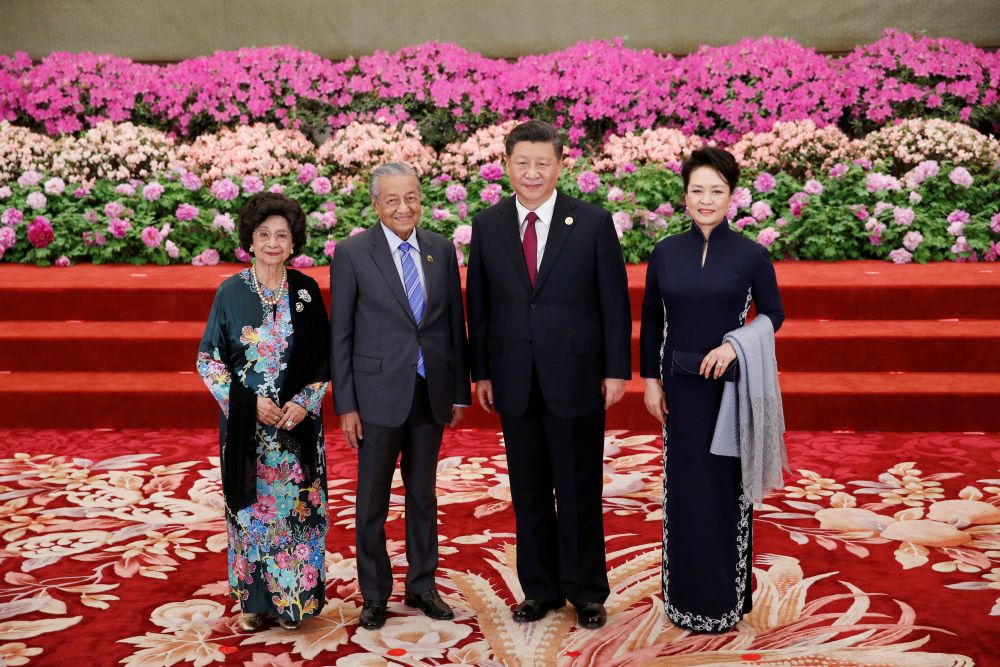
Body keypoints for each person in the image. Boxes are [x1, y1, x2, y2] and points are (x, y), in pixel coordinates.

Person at [466, 120, 631, 630]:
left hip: (576, 376)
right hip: (514, 379)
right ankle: (538, 589)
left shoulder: (592, 222)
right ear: (506, 166)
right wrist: (483, 372)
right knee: (528, 490)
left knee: (578, 488)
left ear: (561, 165)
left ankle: (585, 591)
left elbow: (614, 303)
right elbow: (481, 304)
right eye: (522, 163)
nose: (532, 172)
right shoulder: (488, 224)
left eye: (543, 163)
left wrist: (615, 370)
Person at [639, 146, 785, 633]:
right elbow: (652, 322)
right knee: (684, 492)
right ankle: (683, 600)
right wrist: (650, 383)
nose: (706, 200)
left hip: (729, 394)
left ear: (731, 197)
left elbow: (773, 314)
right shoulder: (665, 253)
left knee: (724, 493)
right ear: (684, 196)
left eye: (716, 191)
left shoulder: (750, 255)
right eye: (697, 190)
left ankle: (724, 600)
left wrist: (736, 344)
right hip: (680, 393)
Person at [329, 162, 470, 630]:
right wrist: (346, 404)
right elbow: (341, 334)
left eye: (410, 197)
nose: (403, 207)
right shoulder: (352, 253)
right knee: (372, 500)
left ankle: (423, 585)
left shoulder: (439, 249)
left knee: (423, 494)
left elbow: (454, 327)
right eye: (392, 200)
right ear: (375, 205)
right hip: (375, 396)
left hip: (429, 393)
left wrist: (459, 392)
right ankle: (374, 594)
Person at [197, 192, 330, 632]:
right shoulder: (230, 293)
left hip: (297, 426)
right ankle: (255, 601)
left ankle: (295, 601)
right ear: (250, 241)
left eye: (282, 235)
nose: (273, 243)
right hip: (247, 428)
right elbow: (209, 360)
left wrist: (303, 402)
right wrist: (250, 405)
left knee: (298, 513)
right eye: (264, 234)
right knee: (251, 510)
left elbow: (325, 359)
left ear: (293, 243)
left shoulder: (307, 292)